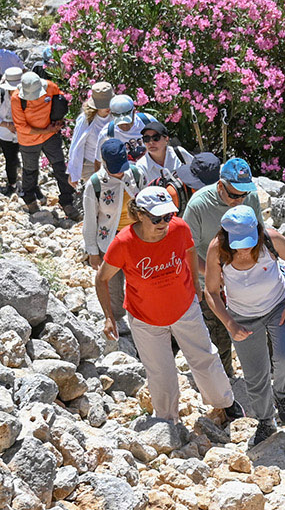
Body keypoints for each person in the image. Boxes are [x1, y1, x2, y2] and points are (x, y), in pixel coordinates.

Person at [96, 188, 236, 442]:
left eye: (167, 216)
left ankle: (226, 406)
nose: (163, 223)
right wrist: (108, 316)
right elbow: (102, 278)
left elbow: (190, 250)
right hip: (145, 318)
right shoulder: (123, 242)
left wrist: (195, 284)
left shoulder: (179, 228)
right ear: (139, 215)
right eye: (156, 218)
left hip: (184, 308)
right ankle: (167, 422)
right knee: (161, 372)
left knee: (205, 357)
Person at [204, 204, 285, 442]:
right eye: (238, 243)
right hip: (242, 316)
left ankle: (282, 393)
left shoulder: (271, 240)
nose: (244, 249)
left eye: (248, 241)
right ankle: (265, 421)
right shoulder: (217, 249)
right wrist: (229, 323)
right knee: (255, 375)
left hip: (278, 307)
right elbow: (210, 292)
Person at [4, 71, 77, 215]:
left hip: (50, 136)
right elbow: (21, 127)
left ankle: (67, 202)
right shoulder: (17, 99)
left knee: (60, 168)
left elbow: (61, 101)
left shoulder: (50, 87)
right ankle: (30, 201)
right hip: (30, 140)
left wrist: (60, 120)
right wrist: (46, 130)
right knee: (30, 171)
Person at [184, 156, 263, 271]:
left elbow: (260, 234)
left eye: (244, 194)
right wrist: (213, 275)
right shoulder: (198, 205)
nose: (240, 201)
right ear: (221, 185)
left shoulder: (251, 197)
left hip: (243, 271)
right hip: (206, 271)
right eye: (234, 196)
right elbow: (188, 250)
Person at [81, 136, 133, 264]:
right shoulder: (95, 184)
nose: (120, 173)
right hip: (109, 241)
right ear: (104, 161)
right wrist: (93, 252)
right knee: (111, 283)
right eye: (115, 169)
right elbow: (90, 220)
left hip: (137, 239)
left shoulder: (136, 175)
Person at [66, 81, 116, 189]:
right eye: (104, 105)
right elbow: (77, 145)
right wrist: (73, 172)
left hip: (113, 162)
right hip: (91, 163)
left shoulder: (116, 115)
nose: (108, 107)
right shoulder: (86, 119)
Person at [129, 120, 195, 199]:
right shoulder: (141, 166)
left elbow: (197, 174)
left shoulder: (179, 154)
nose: (151, 142)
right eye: (146, 139)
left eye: (156, 138)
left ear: (166, 139)